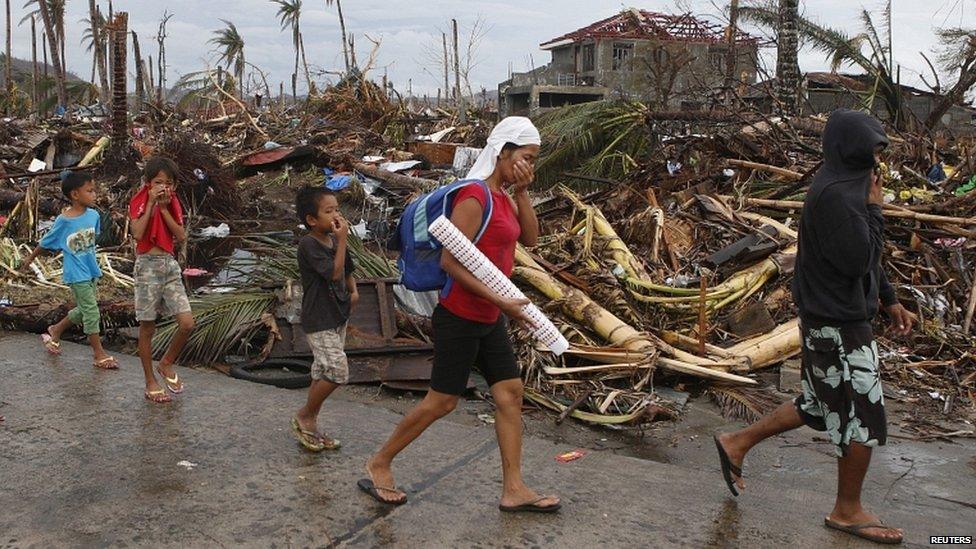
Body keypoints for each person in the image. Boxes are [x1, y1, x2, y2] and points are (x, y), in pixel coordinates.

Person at [714, 109, 914, 545]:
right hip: (839, 324)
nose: (878, 161)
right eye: (873, 149)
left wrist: (891, 299)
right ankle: (847, 511)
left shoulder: (845, 184)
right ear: (852, 148)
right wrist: (877, 212)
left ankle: (737, 443)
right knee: (863, 416)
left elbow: (866, 261)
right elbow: (860, 257)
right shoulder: (839, 197)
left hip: (833, 318)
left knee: (819, 403)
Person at [362, 117, 561, 513]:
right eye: (525, 157)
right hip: (461, 315)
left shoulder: (504, 196)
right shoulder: (474, 196)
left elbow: (532, 239)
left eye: (534, 160)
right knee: (442, 402)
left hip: (492, 315)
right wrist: (503, 303)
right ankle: (379, 463)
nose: (530, 165)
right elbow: (452, 262)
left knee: (509, 393)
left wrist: (522, 192)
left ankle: (514, 488)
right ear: (503, 152)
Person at [18, 170, 119, 370]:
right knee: (91, 311)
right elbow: (46, 242)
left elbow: (91, 240)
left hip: (91, 270)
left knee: (84, 309)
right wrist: (30, 258)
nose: (94, 195)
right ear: (75, 195)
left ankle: (55, 330)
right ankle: (98, 354)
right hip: (76, 273)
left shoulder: (94, 215)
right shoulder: (64, 221)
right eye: (89, 191)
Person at [291, 186, 358, 451]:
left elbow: (347, 268)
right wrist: (342, 240)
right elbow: (333, 272)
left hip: (337, 315)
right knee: (338, 371)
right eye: (328, 211)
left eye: (337, 209)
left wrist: (353, 290)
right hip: (318, 318)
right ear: (311, 219)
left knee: (321, 371)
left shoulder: (333, 240)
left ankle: (311, 424)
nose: (335, 216)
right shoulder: (309, 244)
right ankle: (305, 414)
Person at [129, 157, 195, 404]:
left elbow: (180, 235)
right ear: (148, 183)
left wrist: (165, 209)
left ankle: (166, 363)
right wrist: (151, 206)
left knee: (187, 322)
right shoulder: (139, 200)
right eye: (158, 182)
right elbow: (137, 233)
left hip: (168, 265)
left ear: (174, 186)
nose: (163, 187)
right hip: (147, 266)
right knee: (147, 327)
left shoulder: (172, 202)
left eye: (168, 183)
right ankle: (150, 381)